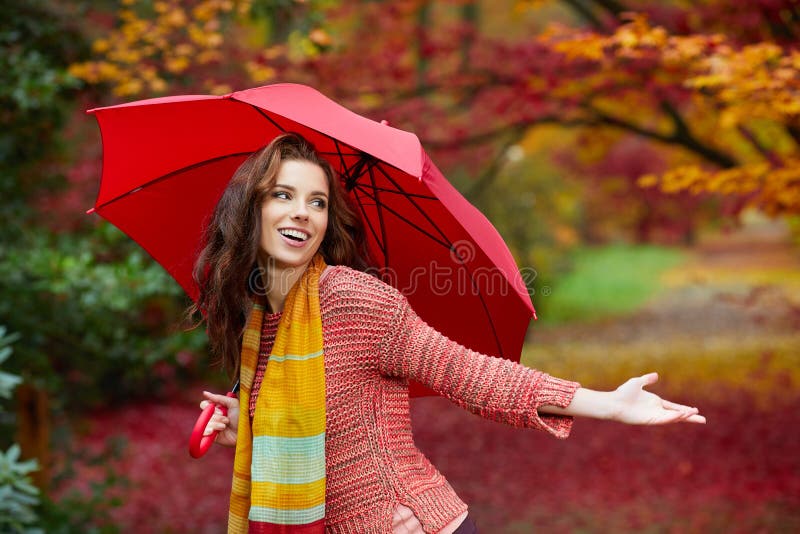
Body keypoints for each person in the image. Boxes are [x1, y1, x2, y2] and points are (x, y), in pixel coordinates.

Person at [189, 133, 705, 534]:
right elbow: (309, 440)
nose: (303, 211)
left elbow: (471, 374)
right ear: (250, 209)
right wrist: (248, 428)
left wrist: (608, 405)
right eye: (283, 194)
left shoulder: (350, 299)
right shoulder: (263, 324)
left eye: (318, 201)